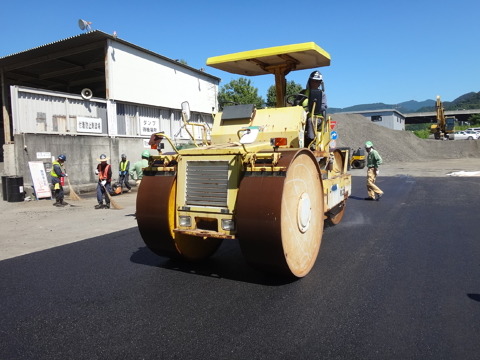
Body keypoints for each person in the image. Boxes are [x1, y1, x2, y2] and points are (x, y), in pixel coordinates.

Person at [295, 70, 328, 147]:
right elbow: (296, 102)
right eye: (313, 81)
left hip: (316, 117)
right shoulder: (303, 93)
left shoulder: (321, 95)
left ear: (320, 83)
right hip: (301, 116)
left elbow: (324, 106)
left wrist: (312, 108)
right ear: (309, 81)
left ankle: (310, 142)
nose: (315, 83)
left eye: (317, 82)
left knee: (310, 121)